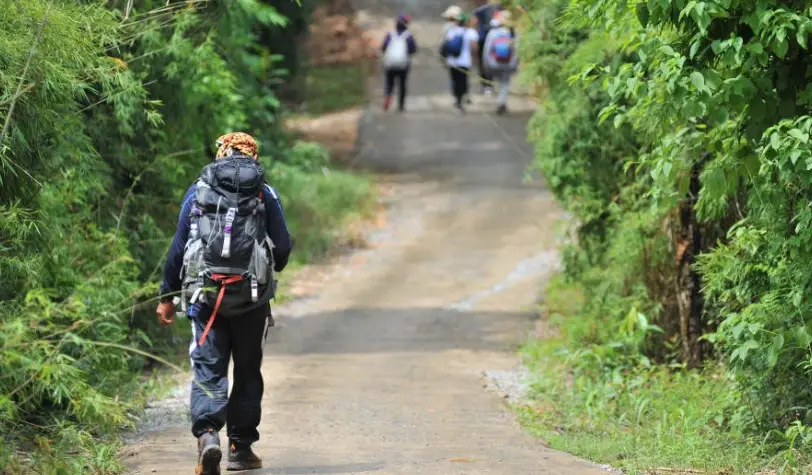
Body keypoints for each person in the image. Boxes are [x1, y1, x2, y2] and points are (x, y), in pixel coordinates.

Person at [156, 132, 292, 475]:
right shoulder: (264, 192)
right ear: (253, 157)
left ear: (221, 154)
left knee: (208, 366)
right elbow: (283, 246)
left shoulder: (198, 190)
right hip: (251, 299)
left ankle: (208, 436)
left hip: (205, 298)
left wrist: (167, 296)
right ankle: (240, 448)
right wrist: (268, 266)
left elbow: (178, 248)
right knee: (247, 370)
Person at [442, 11, 479, 114]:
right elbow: (474, 48)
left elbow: (446, 46)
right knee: (462, 81)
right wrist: (474, 59)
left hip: (452, 62)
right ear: (466, 22)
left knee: (454, 80)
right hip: (464, 62)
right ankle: (460, 102)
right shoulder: (471, 32)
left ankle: (456, 100)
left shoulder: (451, 31)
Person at [482, 10, 519, 115]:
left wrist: (485, 63)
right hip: (508, 63)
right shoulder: (513, 33)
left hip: (494, 63)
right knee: (504, 83)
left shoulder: (492, 33)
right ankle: (501, 102)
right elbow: (517, 50)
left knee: (498, 82)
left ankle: (500, 101)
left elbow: (487, 50)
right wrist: (515, 63)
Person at [381, 14, 417, 112]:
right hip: (403, 65)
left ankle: (388, 96)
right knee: (402, 84)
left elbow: (383, 47)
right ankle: (401, 105)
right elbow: (413, 50)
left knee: (389, 83)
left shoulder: (390, 35)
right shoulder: (408, 36)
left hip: (390, 64)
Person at [472, 0, 504, 94]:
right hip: (495, 39)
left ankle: (486, 85)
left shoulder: (480, 10)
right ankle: (494, 84)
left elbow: (474, 22)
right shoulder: (499, 8)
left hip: (483, 39)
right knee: (493, 60)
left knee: (482, 62)